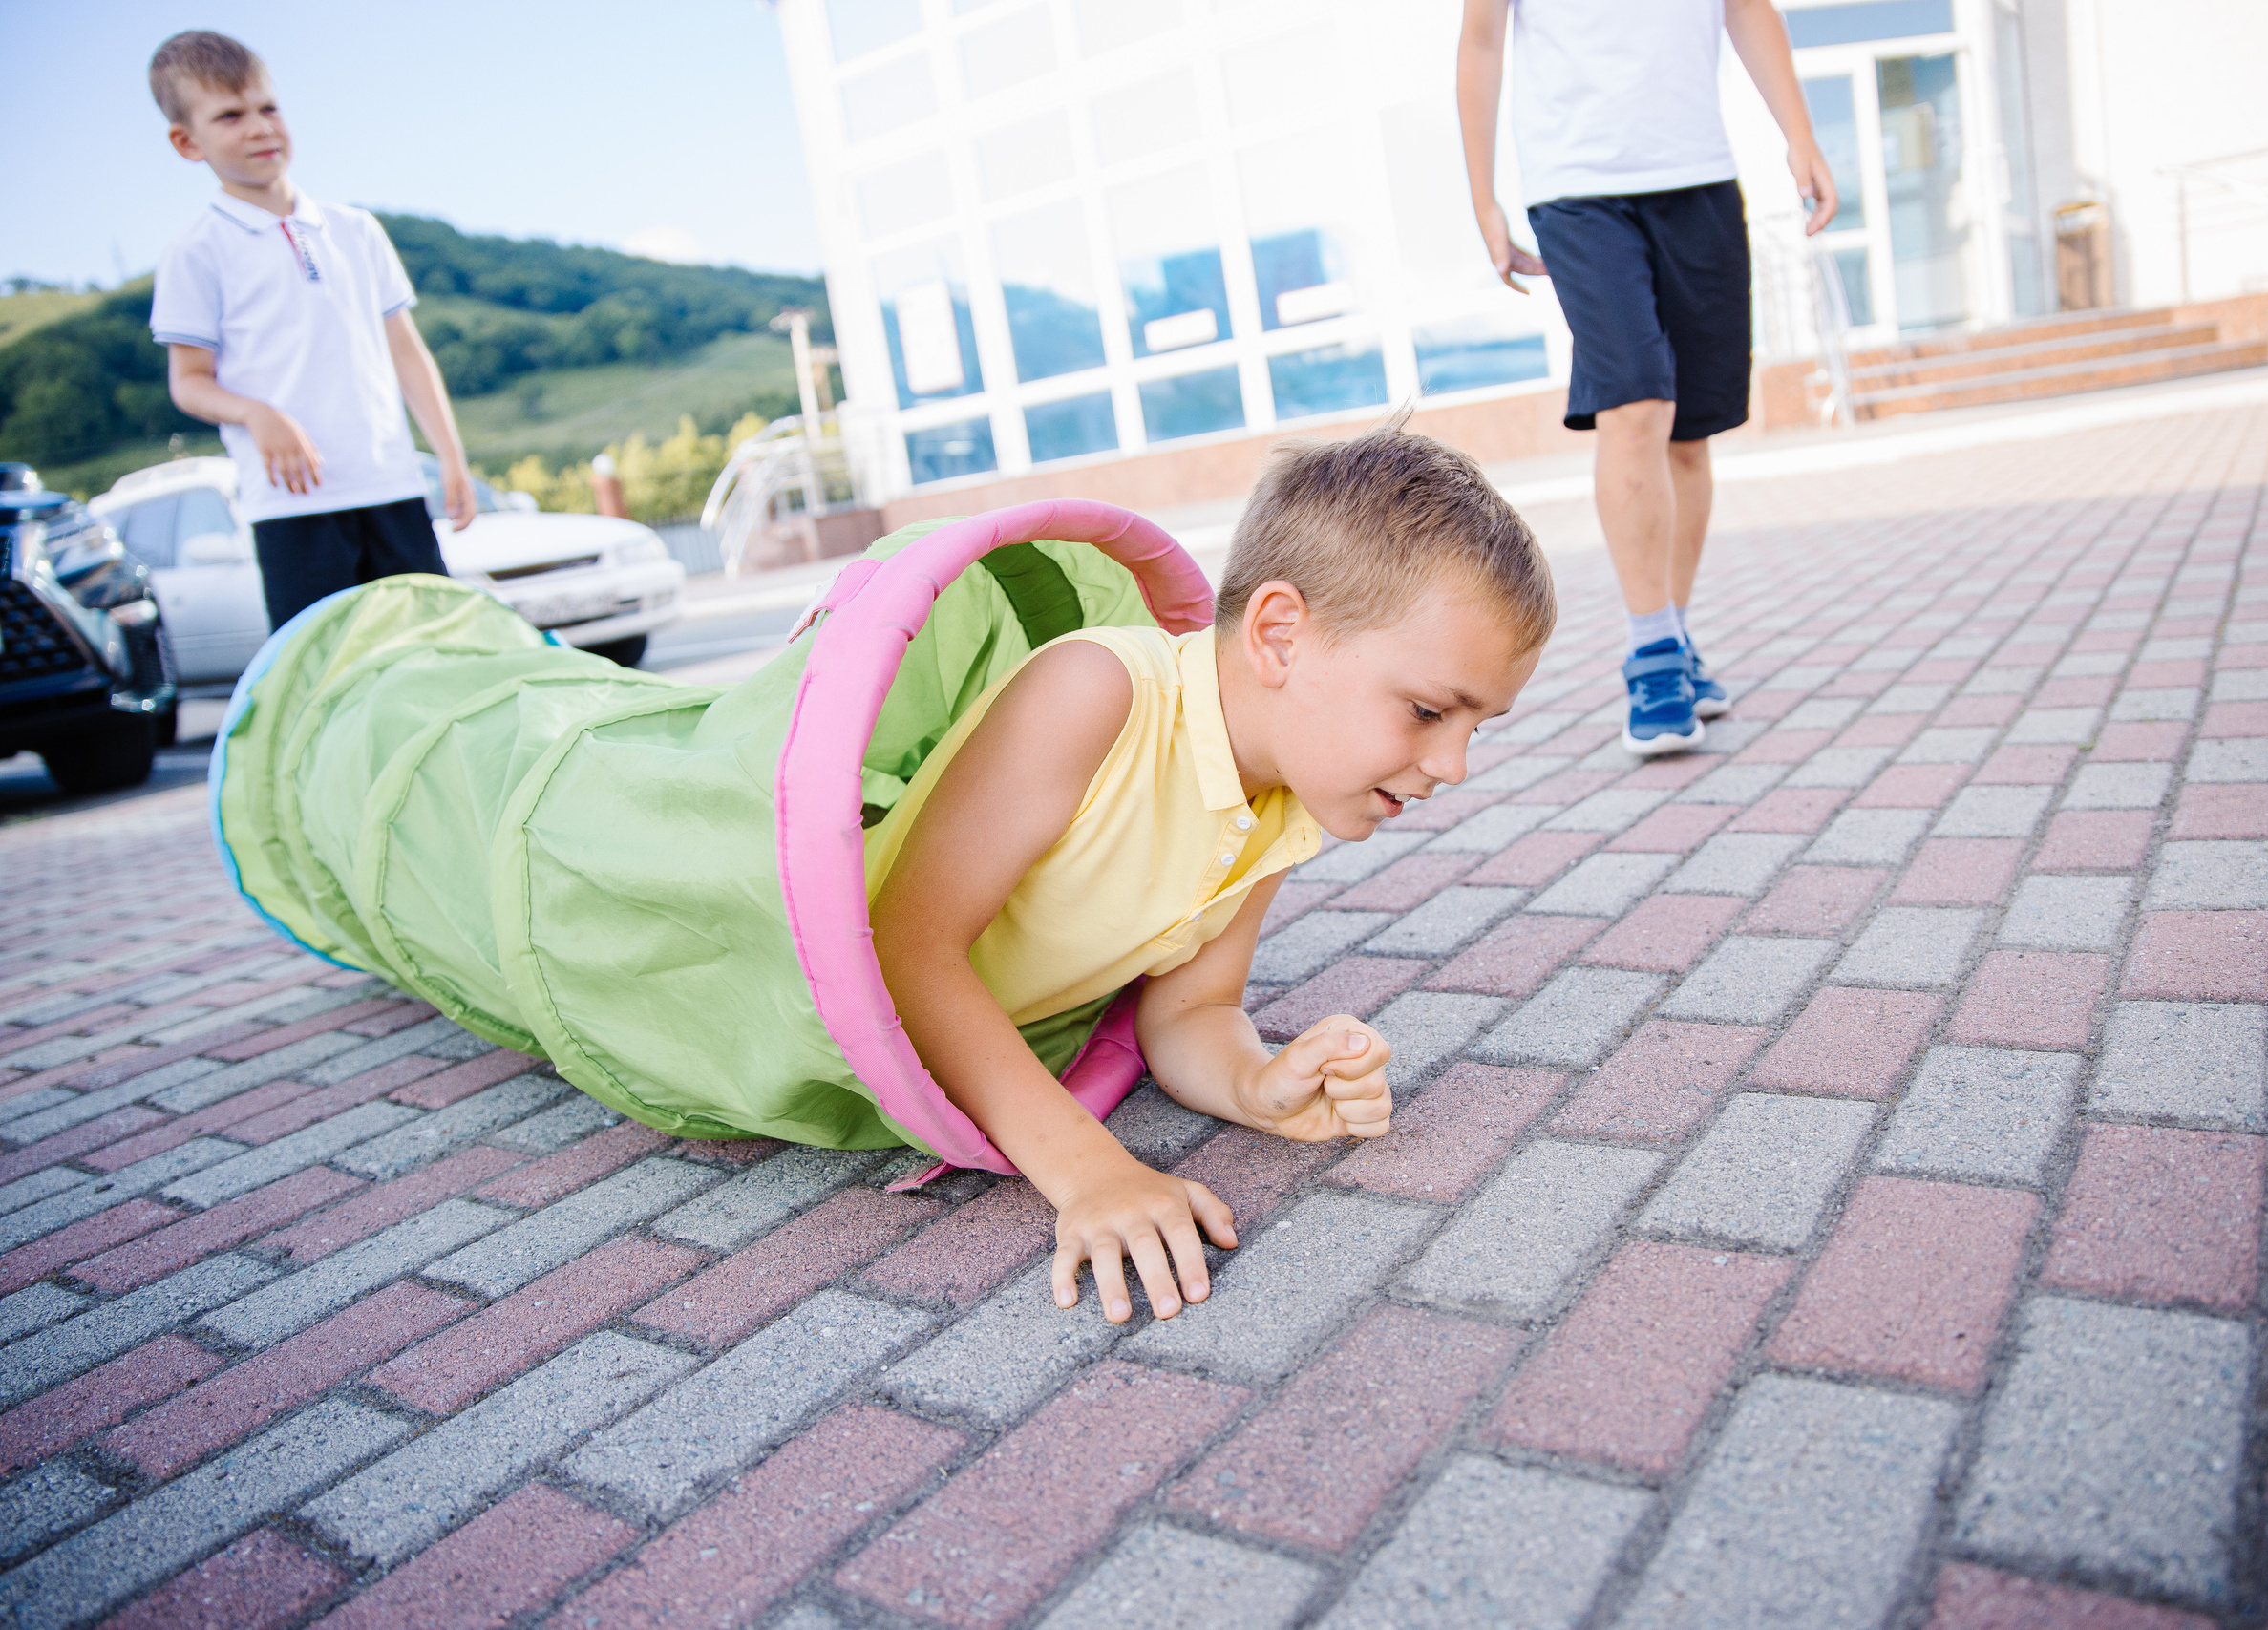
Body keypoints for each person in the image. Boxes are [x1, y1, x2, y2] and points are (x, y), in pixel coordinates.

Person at [212, 429, 1555, 1328]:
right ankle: (369, 689)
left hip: (901, 1005)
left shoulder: (1285, 806)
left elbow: (1187, 1014)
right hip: (737, 932)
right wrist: (1088, 1169)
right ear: (1277, 632)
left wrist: (1258, 1083)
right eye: (1432, 709)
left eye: (1478, 727)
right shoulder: (1098, 689)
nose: (1452, 762)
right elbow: (911, 942)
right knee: (502, 818)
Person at [1458, 0, 1837, 754]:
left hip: (1697, 175)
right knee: (1634, 402)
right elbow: (1480, 39)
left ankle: (1672, 629)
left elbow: (1747, 9)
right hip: (1576, 185)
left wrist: (1801, 135)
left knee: (1690, 435)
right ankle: (1653, 656)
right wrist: (1483, 199)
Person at [144, 30, 477, 631]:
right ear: (187, 143)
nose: (259, 127)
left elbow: (406, 352)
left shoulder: (356, 229)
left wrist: (450, 455)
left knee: (434, 658)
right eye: (230, 116)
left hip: (391, 489)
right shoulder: (196, 250)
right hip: (294, 507)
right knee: (326, 676)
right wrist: (257, 414)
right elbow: (189, 382)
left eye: (268, 107)